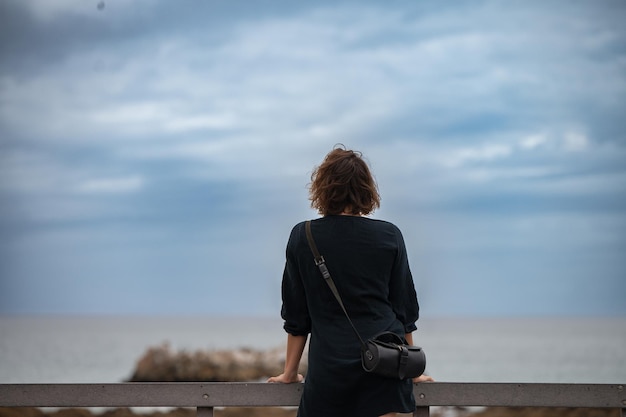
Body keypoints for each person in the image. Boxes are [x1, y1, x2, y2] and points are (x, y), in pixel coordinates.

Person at [268, 146, 433, 417]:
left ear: (322, 187)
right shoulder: (389, 236)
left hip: (329, 373)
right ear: (367, 189)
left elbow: (297, 317)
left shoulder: (303, 236)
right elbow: (404, 309)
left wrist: (289, 373)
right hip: (385, 367)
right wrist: (413, 373)